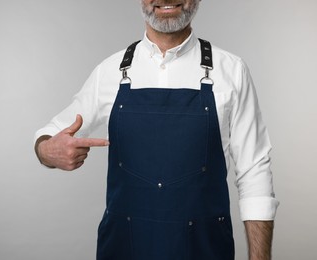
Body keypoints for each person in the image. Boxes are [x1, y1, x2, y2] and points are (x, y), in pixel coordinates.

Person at [34, 0, 279, 259]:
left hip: (204, 250)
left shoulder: (231, 71)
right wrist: (47, 150)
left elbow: (255, 173)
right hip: (124, 249)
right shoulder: (108, 73)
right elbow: (50, 134)